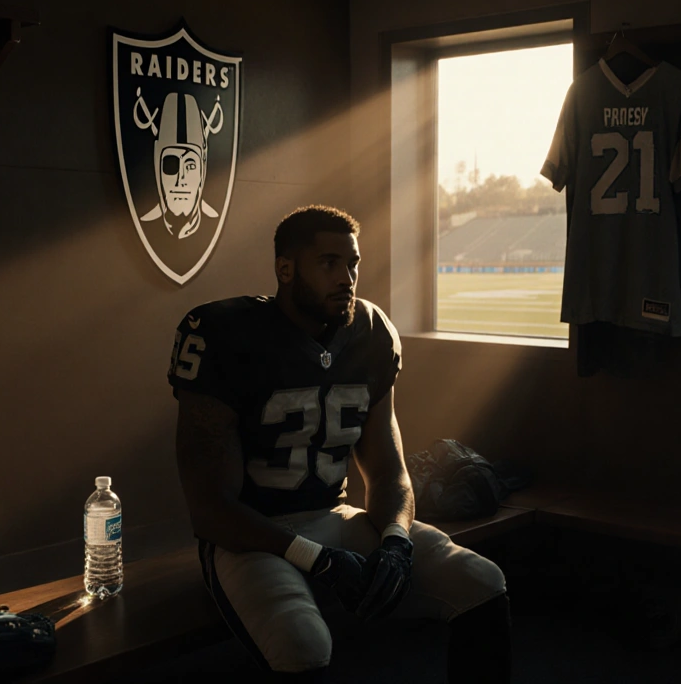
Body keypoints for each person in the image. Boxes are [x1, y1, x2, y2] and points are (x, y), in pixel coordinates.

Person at [168, 205, 511, 682]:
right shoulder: (226, 336)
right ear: (285, 270)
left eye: (352, 263)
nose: (346, 277)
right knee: (302, 644)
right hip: (249, 537)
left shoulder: (370, 333)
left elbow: (390, 471)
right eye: (329, 263)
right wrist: (317, 559)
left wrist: (394, 540)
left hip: (334, 516)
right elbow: (210, 510)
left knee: (482, 581)